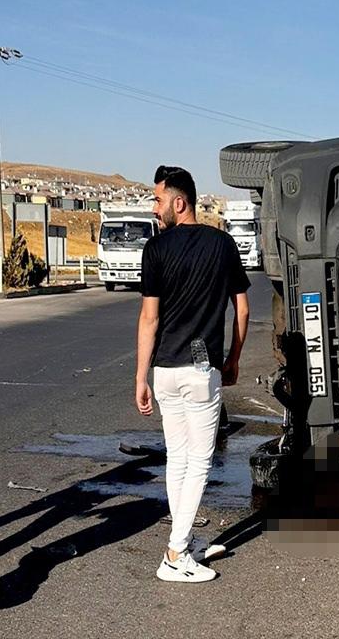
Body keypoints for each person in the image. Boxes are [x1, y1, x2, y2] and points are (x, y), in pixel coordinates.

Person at [135, 165, 250, 583]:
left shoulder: (155, 249)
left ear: (179, 202)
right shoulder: (223, 244)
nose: (155, 208)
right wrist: (233, 359)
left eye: (158, 200)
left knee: (179, 458)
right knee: (199, 460)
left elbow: (149, 319)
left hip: (165, 369)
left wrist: (140, 377)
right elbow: (242, 309)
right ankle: (175, 553)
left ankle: (182, 541)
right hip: (202, 369)